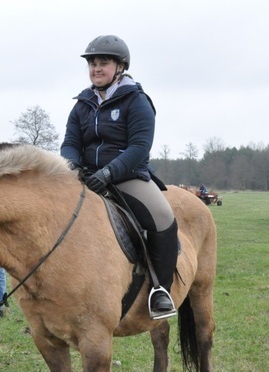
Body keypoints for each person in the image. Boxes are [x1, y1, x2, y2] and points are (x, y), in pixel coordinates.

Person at [61, 34, 177, 320]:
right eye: (92, 64)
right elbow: (70, 143)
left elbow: (139, 147)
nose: (96, 69)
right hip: (86, 177)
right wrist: (73, 167)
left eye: (103, 63)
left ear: (120, 67)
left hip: (127, 176)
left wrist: (110, 172)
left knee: (163, 218)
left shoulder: (136, 101)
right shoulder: (82, 104)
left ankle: (161, 290)